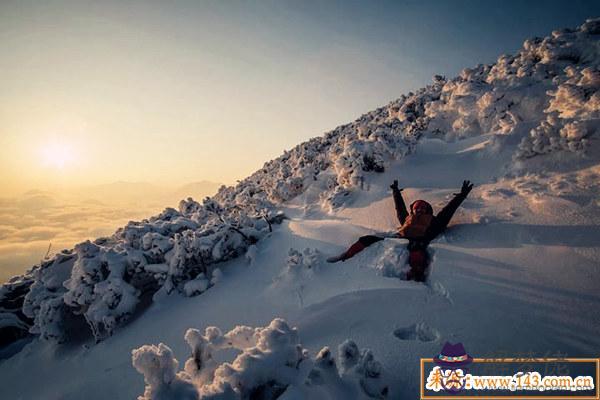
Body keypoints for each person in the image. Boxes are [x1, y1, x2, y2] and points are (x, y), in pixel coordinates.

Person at [327, 180, 474, 281]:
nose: (420, 210)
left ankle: (416, 273)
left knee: (417, 249)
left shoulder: (435, 221)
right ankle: (347, 254)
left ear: (428, 210)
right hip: (399, 236)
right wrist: (396, 192)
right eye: (417, 208)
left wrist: (462, 195)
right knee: (367, 238)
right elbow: (400, 209)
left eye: (423, 208)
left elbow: (448, 211)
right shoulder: (407, 219)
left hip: (419, 240)